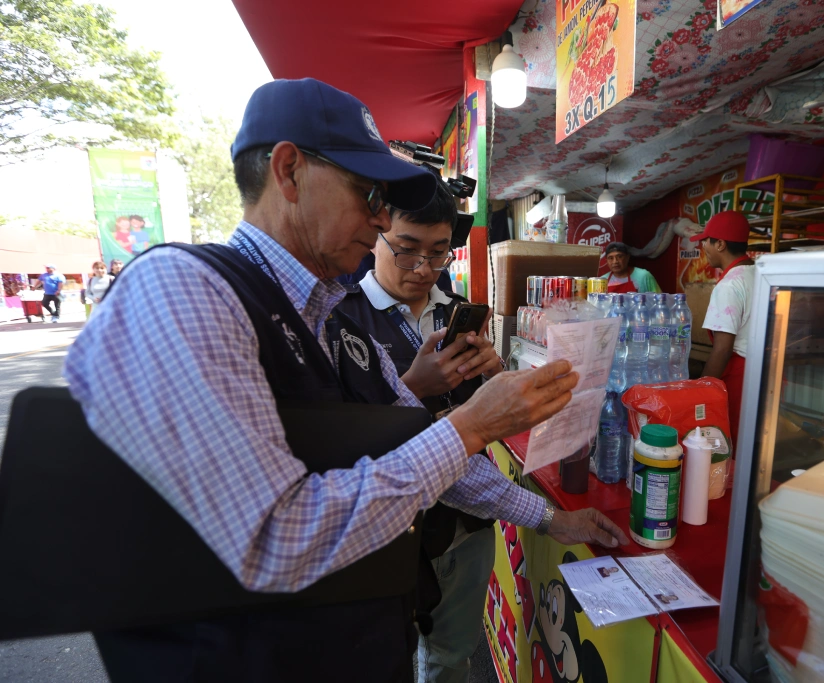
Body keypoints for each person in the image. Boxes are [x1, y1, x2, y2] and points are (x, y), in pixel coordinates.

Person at [64, 78, 627, 683]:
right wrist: (470, 426)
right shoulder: (186, 292)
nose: (380, 219)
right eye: (368, 194)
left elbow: (419, 453)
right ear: (289, 172)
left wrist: (547, 517)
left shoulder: (332, 324)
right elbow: (273, 539)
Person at [338, 178, 525, 683]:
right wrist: (410, 387)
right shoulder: (343, 319)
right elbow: (344, 437)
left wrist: (492, 373)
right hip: (393, 528)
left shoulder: (456, 309)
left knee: (452, 655)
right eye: (406, 251)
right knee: (386, 657)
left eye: (439, 253)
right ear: (376, 233)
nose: (423, 269)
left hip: (469, 525)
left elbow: (483, 408)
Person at [693, 211, 755, 446]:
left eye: (706, 241)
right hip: (763, 376)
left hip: (740, 378)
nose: (703, 247)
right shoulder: (760, 274)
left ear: (720, 244)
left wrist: (699, 392)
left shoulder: (730, 285)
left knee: (736, 446)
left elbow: (722, 349)